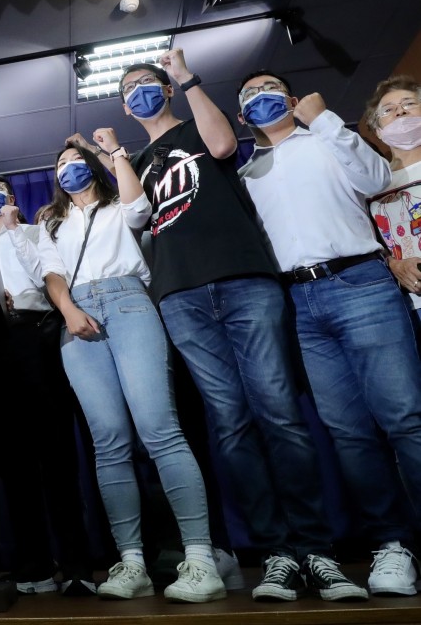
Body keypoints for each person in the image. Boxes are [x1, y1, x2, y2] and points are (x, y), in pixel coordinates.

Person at [118, 50, 360, 602]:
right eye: (129, 89)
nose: (139, 92)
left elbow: (225, 147)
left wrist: (186, 78)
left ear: (167, 89)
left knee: (280, 414)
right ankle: (276, 554)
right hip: (180, 296)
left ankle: (317, 551)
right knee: (230, 424)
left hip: (244, 280)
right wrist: (115, 156)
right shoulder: (139, 159)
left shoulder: (198, 126)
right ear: (126, 107)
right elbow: (135, 217)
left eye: (147, 83)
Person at [237, 69, 421, 596]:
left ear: (292, 99)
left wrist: (324, 121)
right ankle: (391, 543)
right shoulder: (246, 175)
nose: (260, 97)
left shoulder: (325, 139)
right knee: (348, 431)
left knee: (404, 416)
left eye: (269, 89)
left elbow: (376, 179)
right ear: (242, 115)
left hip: (360, 282)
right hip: (296, 301)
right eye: (248, 95)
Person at [38, 138, 225, 603]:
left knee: (160, 429)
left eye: (76, 160)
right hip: (76, 316)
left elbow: (140, 211)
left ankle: (200, 558)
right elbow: (51, 272)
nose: (69, 167)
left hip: (128, 302)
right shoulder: (52, 221)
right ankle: (132, 562)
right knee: (109, 441)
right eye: (61, 163)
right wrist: (68, 311)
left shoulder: (117, 203)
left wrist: (113, 154)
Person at [0, 174, 96, 596]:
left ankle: (77, 564)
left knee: (55, 451)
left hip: (35, 333)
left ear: (11, 198)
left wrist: (11, 227)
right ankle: (35, 565)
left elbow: (46, 276)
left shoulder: (32, 231)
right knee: (12, 460)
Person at [365, 76, 421, 323]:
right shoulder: (370, 187)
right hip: (411, 304)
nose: (400, 111)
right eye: (388, 110)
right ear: (378, 131)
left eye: (409, 103)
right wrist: (394, 265)